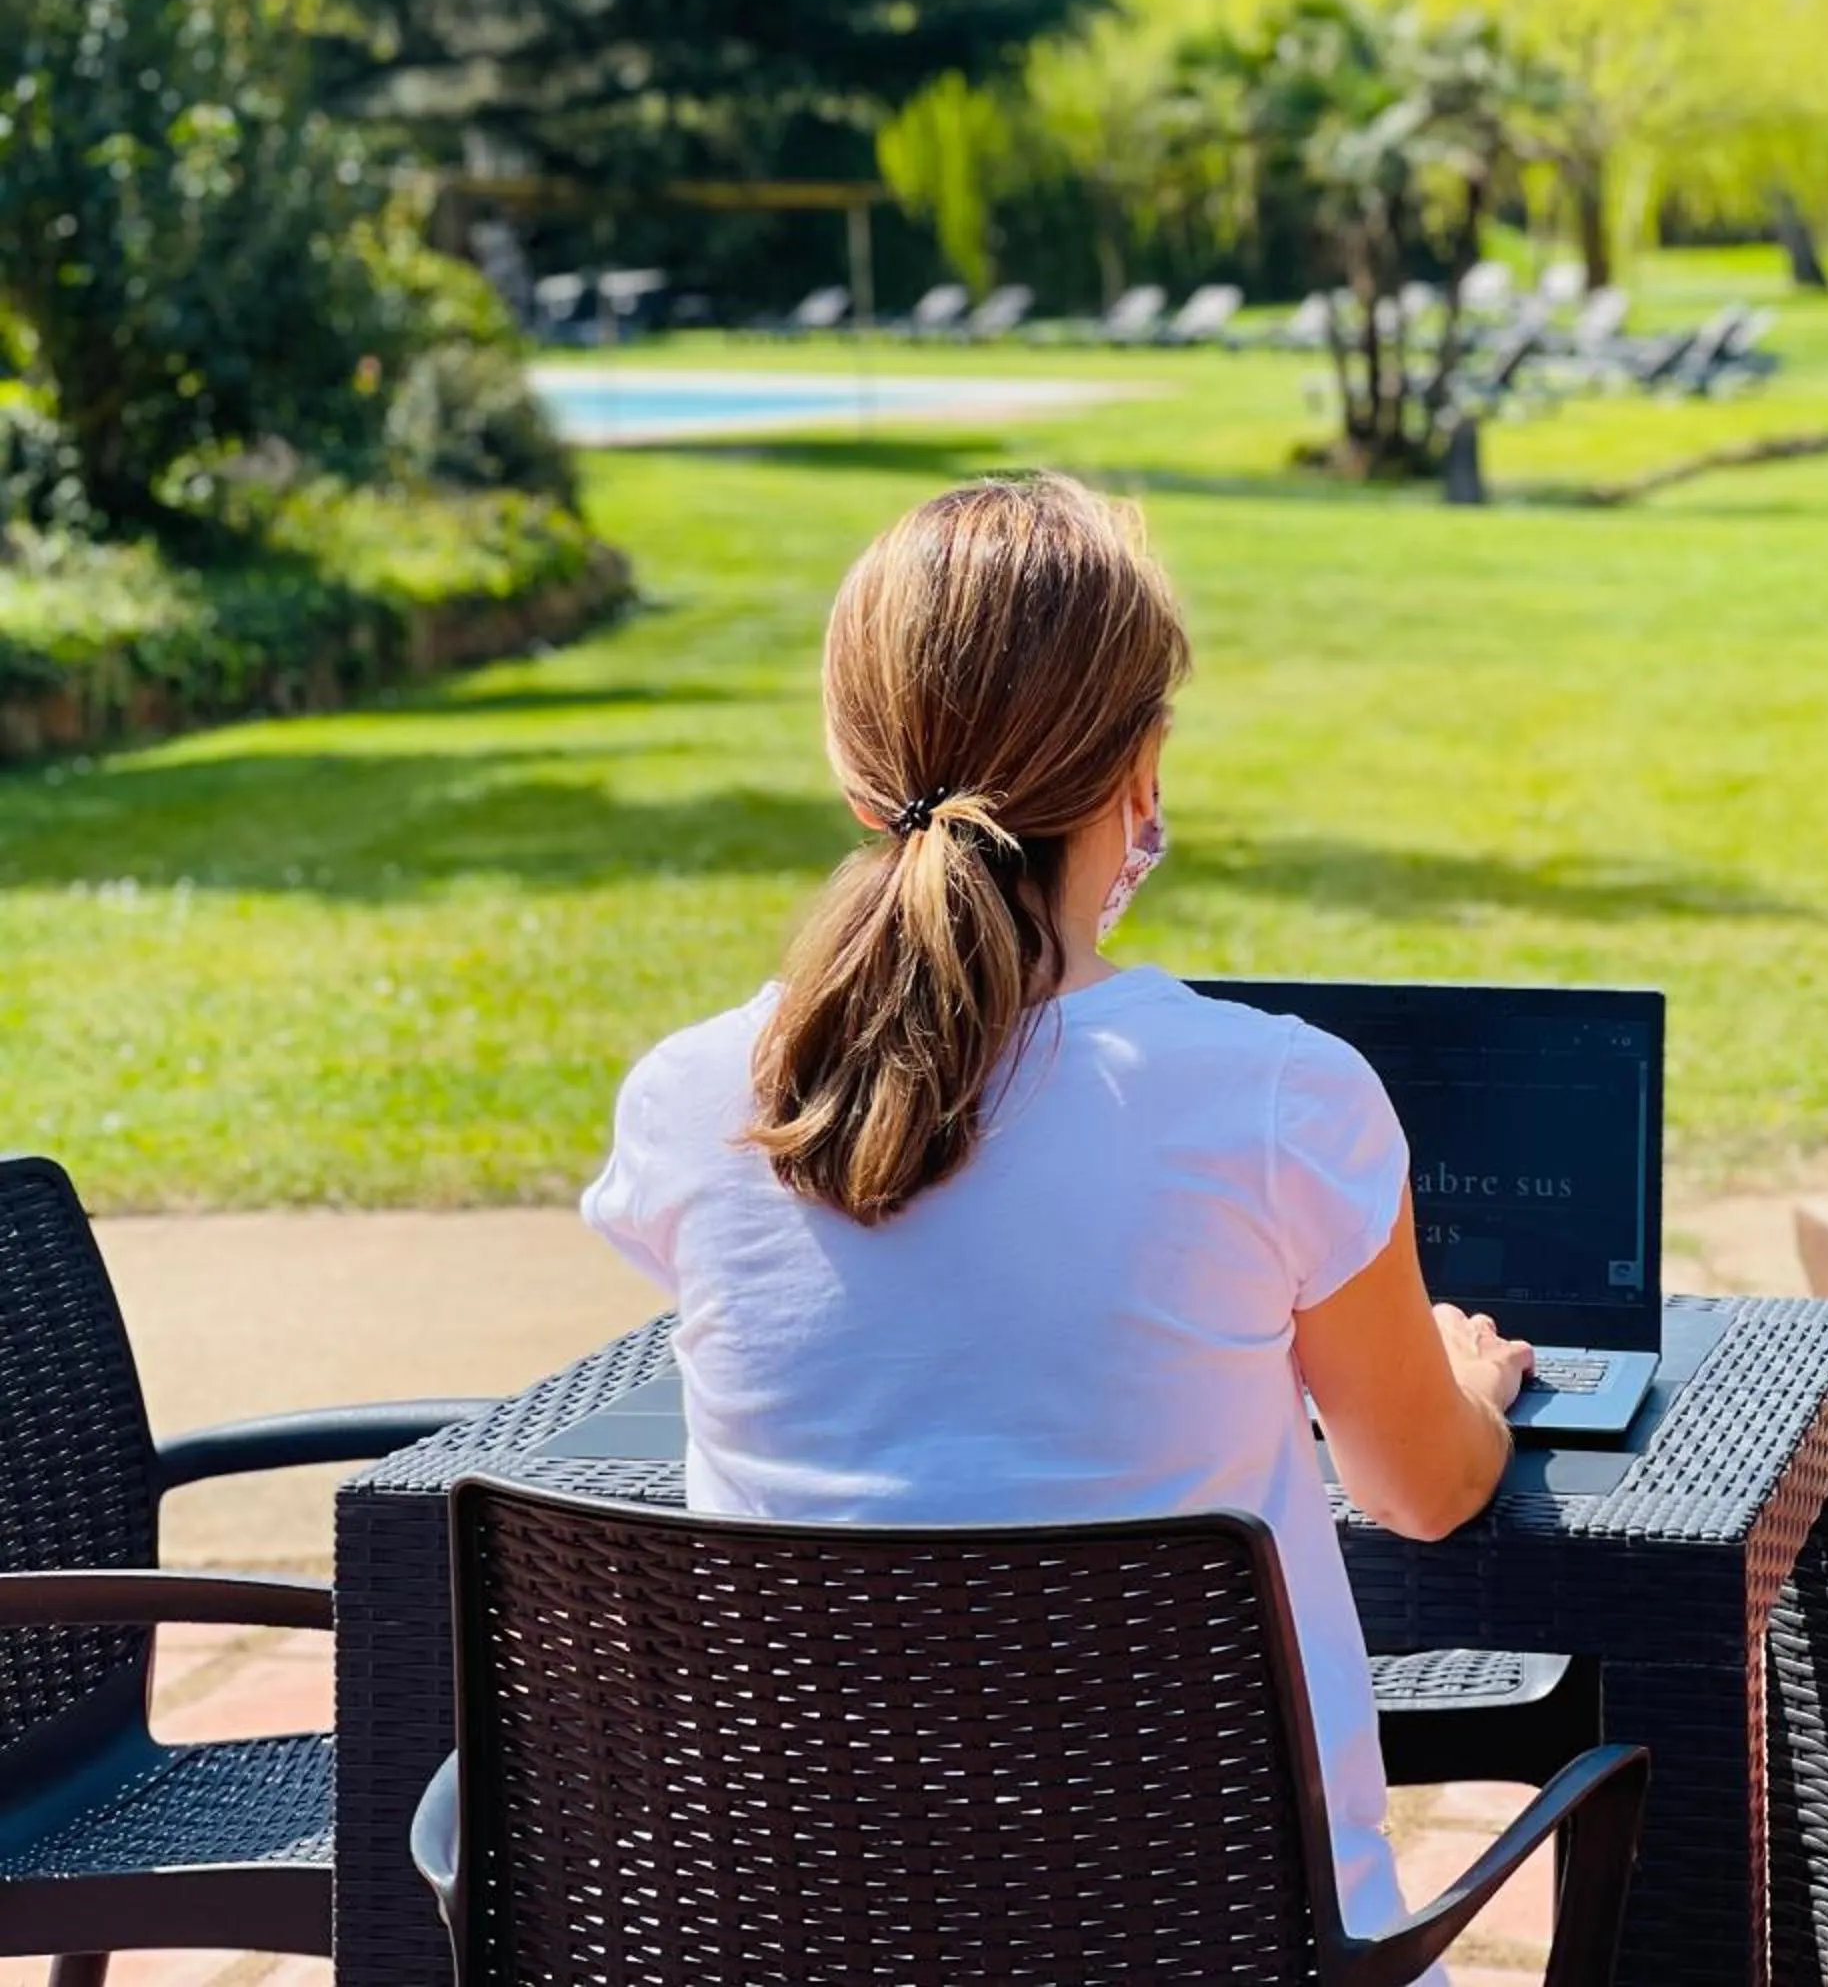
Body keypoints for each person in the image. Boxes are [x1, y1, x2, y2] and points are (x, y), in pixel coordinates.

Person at [586, 470, 1532, 1956]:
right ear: (1138, 772)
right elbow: (1419, 1491)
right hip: (1221, 1938)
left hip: (803, 1943)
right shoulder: (1279, 1102)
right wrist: (1461, 1381)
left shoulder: (689, 1099)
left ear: (853, 780)